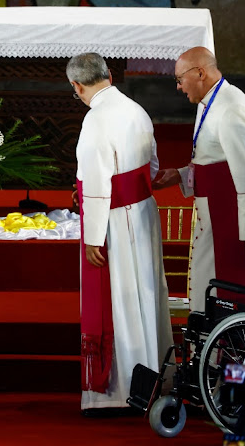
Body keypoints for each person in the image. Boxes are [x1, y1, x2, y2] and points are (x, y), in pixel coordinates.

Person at [69, 53, 172, 416]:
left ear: (77, 86)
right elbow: (154, 167)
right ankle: (154, 378)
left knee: (122, 301)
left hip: (113, 219)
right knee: (144, 296)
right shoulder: (136, 109)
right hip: (142, 213)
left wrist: (94, 235)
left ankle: (121, 388)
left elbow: (96, 181)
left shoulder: (96, 119)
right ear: (109, 75)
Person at [153, 47, 245, 310]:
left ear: (200, 73)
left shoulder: (231, 108)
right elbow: (213, 161)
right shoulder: (210, 101)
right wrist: (181, 175)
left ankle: (224, 350)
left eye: (179, 79)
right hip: (214, 216)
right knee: (208, 286)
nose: (178, 87)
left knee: (226, 293)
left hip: (230, 224)